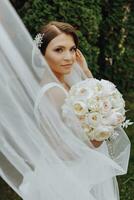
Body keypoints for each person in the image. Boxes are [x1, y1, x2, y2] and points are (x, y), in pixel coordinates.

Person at [0, 1, 130, 200]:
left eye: (72, 49)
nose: (69, 57)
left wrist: (86, 72)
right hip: (65, 181)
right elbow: (65, 152)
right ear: (42, 54)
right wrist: (102, 130)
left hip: (64, 173)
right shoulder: (55, 92)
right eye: (59, 50)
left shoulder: (64, 85)